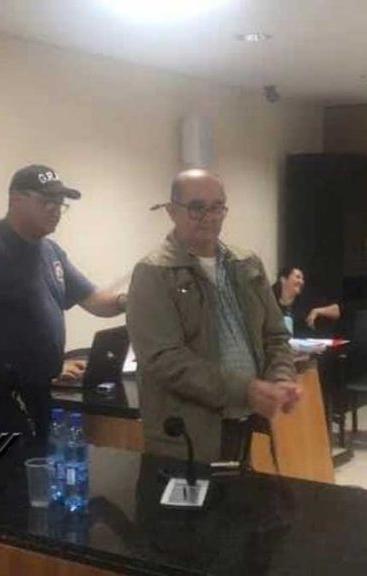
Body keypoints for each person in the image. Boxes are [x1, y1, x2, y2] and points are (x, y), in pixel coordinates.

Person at [0, 164, 126, 437]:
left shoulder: (50, 251)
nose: (55, 210)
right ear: (16, 199)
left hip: (38, 390)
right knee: (7, 465)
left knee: (38, 461)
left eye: (59, 204)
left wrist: (128, 300)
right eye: (46, 202)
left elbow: (95, 301)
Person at [126, 169, 301, 463]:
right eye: (197, 207)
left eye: (217, 206)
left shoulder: (247, 264)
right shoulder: (153, 272)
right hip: (188, 437)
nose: (209, 217)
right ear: (172, 211)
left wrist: (281, 378)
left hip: (248, 423)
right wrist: (245, 390)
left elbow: (275, 335)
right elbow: (164, 359)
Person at [271, 266, 342, 336]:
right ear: (283, 279)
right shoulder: (271, 299)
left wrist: (317, 311)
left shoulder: (307, 298)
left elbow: (337, 310)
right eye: (298, 277)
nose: (301, 282)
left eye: (302, 279)